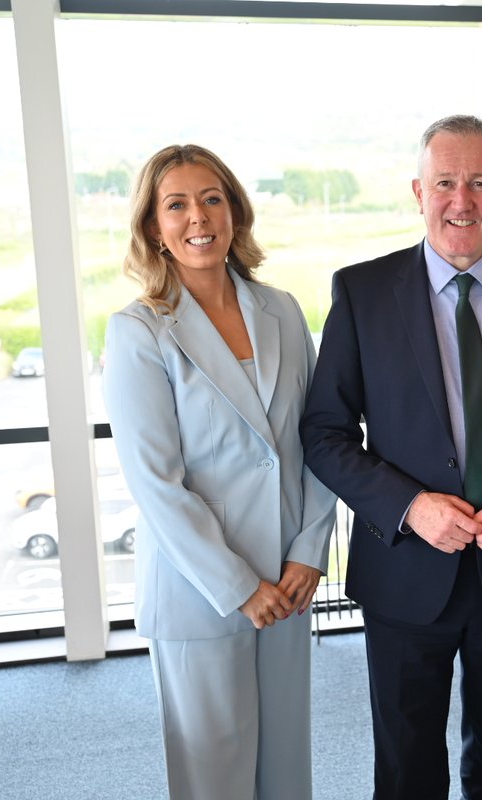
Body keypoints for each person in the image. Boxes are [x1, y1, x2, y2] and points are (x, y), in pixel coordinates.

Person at [300, 115, 482, 800]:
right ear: (418, 191)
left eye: (479, 183)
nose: (462, 201)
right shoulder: (362, 293)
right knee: (404, 763)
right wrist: (409, 507)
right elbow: (324, 432)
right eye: (446, 183)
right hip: (402, 570)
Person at [104, 144, 337, 800]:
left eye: (212, 198)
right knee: (215, 778)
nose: (197, 216)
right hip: (200, 591)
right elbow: (155, 482)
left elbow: (317, 441)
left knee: (287, 771)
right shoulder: (139, 331)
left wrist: (309, 555)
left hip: (288, 585)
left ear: (235, 211)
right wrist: (239, 586)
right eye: (175, 204)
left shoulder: (283, 311)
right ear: (153, 226)